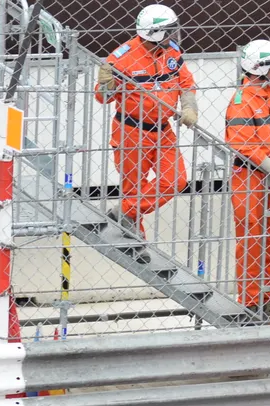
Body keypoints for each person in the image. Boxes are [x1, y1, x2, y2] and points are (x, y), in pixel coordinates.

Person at [95, 3, 198, 254]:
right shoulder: (121, 57)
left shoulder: (171, 52)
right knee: (134, 187)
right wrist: (106, 85)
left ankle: (124, 212)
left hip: (163, 130)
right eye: (169, 31)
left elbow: (186, 82)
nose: (175, 35)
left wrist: (189, 106)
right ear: (154, 33)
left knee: (176, 179)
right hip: (131, 131)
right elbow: (103, 98)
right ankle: (135, 241)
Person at [225, 39, 270, 323]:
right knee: (252, 241)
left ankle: (268, 297)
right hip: (250, 179)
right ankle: (251, 302)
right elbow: (243, 146)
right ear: (261, 68)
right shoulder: (242, 101)